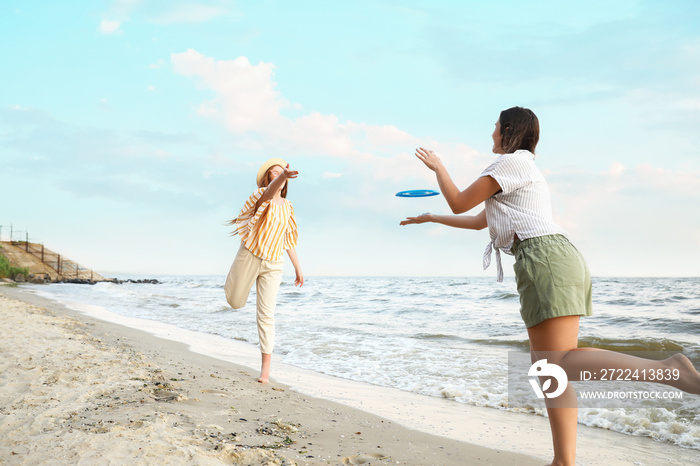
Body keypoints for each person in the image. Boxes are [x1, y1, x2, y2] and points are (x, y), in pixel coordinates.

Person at [401, 106, 700, 466]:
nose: (491, 134)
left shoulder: (510, 164)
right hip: (550, 258)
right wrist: (432, 216)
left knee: (555, 365)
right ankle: (564, 461)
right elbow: (479, 220)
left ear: (508, 130)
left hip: (544, 259)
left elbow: (460, 200)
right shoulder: (520, 169)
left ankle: (671, 370)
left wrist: (439, 167)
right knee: (549, 369)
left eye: (495, 128)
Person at [225, 158, 304, 384]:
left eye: (281, 172)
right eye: (274, 173)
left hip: (273, 264)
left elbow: (289, 239)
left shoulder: (288, 207)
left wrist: (298, 268)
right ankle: (232, 285)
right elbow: (269, 194)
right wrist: (283, 176)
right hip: (250, 255)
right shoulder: (260, 196)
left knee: (267, 315)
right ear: (268, 178)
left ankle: (265, 372)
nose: (278, 174)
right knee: (235, 302)